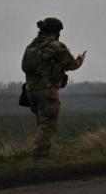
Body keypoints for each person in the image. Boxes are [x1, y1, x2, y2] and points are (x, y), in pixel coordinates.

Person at [21, 17, 86, 159]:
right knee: (48, 125)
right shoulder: (56, 46)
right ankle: (38, 156)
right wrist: (80, 59)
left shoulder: (31, 46)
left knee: (41, 123)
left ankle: (44, 153)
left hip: (31, 91)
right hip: (47, 91)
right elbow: (71, 65)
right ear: (56, 31)